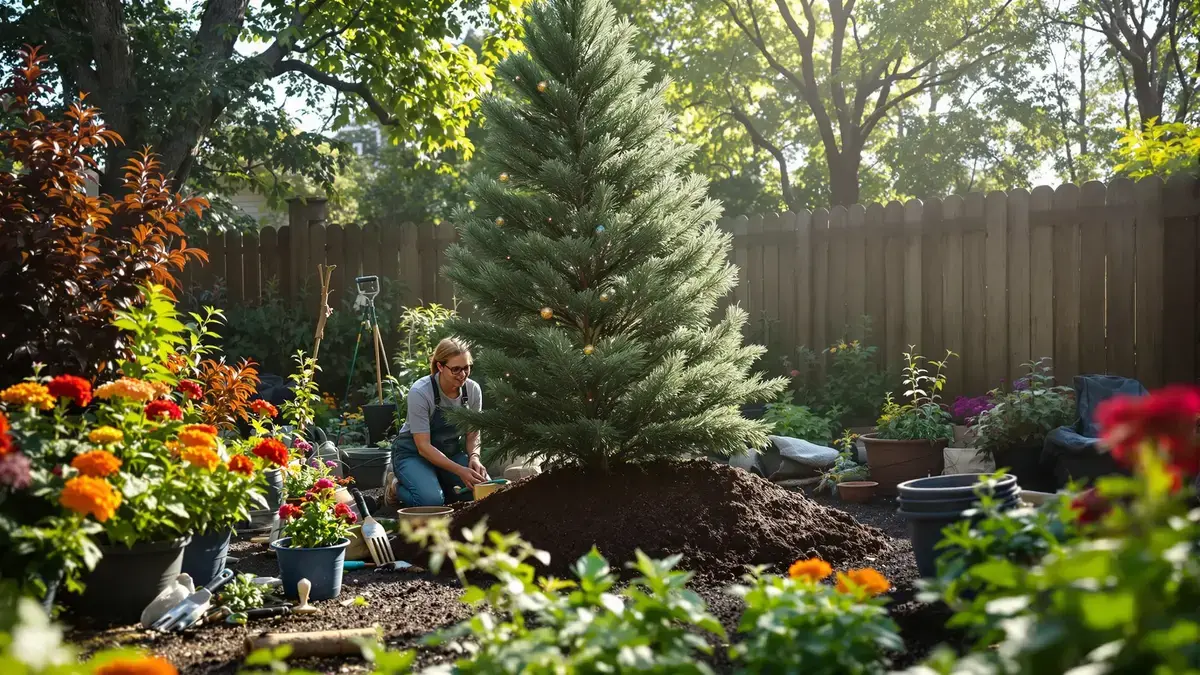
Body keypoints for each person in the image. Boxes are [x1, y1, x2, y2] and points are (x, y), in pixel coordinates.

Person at [386, 337, 488, 507]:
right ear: (440, 366)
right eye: (455, 369)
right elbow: (423, 447)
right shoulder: (420, 392)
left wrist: (474, 457)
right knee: (431, 501)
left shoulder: (472, 390)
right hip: (414, 454)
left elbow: (473, 433)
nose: (462, 374)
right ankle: (395, 486)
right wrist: (459, 470)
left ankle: (437, 483)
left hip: (449, 453)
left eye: (466, 368)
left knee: (482, 490)